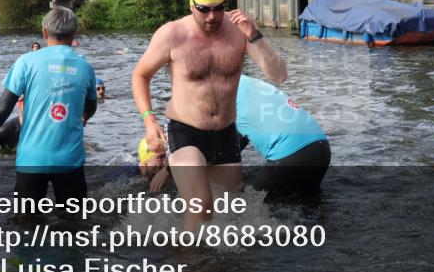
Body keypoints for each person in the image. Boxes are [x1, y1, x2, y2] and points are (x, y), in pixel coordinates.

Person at [132, 0, 288, 229]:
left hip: (226, 134)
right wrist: (149, 121)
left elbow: (279, 75)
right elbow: (140, 75)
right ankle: (190, 267)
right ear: (191, 4)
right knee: (201, 207)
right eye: (204, 10)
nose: (212, 16)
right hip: (185, 132)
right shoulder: (173, 34)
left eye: (218, 8)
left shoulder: (240, 30)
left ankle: (213, 266)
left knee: (228, 216)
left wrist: (255, 35)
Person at [0, 6, 98, 205]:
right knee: (74, 224)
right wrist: (84, 116)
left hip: (31, 160)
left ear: (44, 32)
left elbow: (3, 106)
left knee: (26, 224)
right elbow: (91, 105)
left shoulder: (26, 62)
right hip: (70, 161)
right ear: (75, 34)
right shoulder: (85, 67)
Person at [140, 75, 330, 196]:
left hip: (291, 155)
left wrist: (168, 171)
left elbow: (205, 144)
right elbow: (236, 141)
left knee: (246, 208)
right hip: (321, 148)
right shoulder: (244, 83)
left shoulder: (215, 95)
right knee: (307, 206)